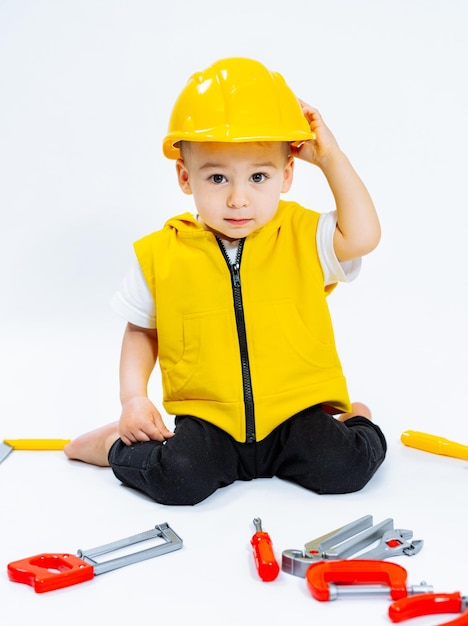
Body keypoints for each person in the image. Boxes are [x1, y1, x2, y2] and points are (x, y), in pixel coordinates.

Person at [65, 57, 387, 505]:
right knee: (178, 479)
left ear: (288, 174)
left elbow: (365, 235)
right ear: (184, 176)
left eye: (259, 176)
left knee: (344, 468)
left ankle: (356, 422)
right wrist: (133, 399)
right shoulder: (162, 253)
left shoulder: (303, 236)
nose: (238, 198)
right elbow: (141, 331)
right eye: (217, 177)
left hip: (294, 415)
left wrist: (330, 158)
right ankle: (111, 447)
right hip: (210, 421)